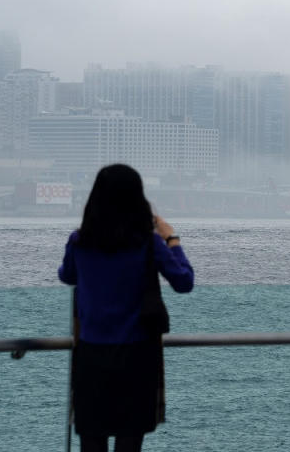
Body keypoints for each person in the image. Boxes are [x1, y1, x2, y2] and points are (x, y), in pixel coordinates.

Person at [58, 164, 194, 452]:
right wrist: (171, 238)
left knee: (92, 440)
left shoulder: (79, 241)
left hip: (91, 354)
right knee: (129, 441)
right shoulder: (147, 243)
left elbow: (67, 275)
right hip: (137, 354)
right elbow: (184, 281)